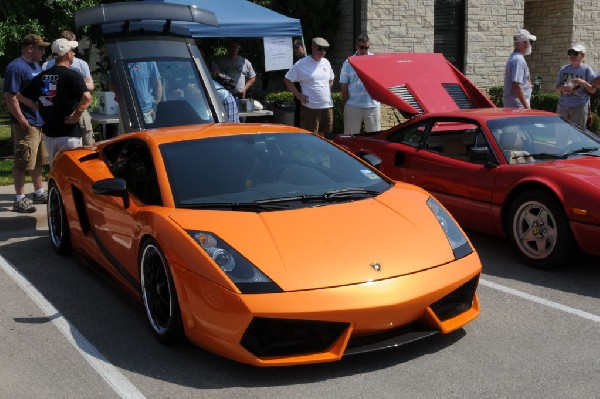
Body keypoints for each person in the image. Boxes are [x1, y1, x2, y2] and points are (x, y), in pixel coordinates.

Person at [18, 38, 92, 165]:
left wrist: (35, 106)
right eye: (72, 51)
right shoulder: (72, 75)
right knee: (71, 171)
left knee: (56, 170)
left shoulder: (42, 76)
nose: (73, 54)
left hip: (49, 133)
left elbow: (19, 95)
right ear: (67, 54)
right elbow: (87, 97)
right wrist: (78, 113)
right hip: (70, 133)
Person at [2, 34, 50, 213]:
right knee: (22, 161)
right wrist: (22, 119)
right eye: (40, 48)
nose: (43, 52)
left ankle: (38, 192)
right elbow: (9, 96)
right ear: (30, 48)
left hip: (38, 121)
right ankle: (19, 199)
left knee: (37, 161)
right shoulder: (15, 67)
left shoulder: (36, 67)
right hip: (26, 122)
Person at [42, 31, 95, 146]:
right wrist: (77, 86)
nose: (73, 52)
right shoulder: (47, 66)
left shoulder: (81, 64)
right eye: (70, 47)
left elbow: (90, 87)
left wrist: (67, 86)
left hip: (80, 107)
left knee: (87, 143)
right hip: (56, 112)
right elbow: (45, 91)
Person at [284, 37, 335, 137]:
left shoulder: (326, 62)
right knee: (310, 136)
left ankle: (320, 153)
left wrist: (325, 91)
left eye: (325, 49)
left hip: (326, 106)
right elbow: (287, 79)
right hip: (311, 107)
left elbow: (331, 79)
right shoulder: (301, 64)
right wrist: (298, 95)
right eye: (320, 49)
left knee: (323, 135)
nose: (323, 51)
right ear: (312, 47)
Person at [339, 34, 381, 135]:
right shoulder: (348, 63)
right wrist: (346, 103)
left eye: (366, 48)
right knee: (351, 138)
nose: (364, 50)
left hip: (372, 106)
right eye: (361, 47)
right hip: (353, 106)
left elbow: (380, 81)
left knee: (375, 138)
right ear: (356, 46)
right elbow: (344, 85)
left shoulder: (375, 60)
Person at [555, 44, 596, 129]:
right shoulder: (563, 69)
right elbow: (557, 89)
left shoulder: (587, 70)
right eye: (570, 53)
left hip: (579, 108)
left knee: (577, 137)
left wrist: (583, 82)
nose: (572, 55)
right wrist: (563, 88)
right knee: (561, 136)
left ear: (583, 55)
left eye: (575, 53)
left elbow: (593, 90)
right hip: (563, 107)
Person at [503, 29, 536, 109]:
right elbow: (516, 85)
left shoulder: (514, 57)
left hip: (513, 105)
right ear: (525, 43)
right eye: (530, 42)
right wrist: (526, 107)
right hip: (517, 107)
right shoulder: (518, 60)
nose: (530, 45)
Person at [291, 39, 306, 127]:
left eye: (297, 47)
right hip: (297, 92)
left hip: (305, 91)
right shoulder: (295, 60)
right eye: (294, 48)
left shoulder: (307, 60)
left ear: (303, 47)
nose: (295, 50)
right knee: (298, 114)